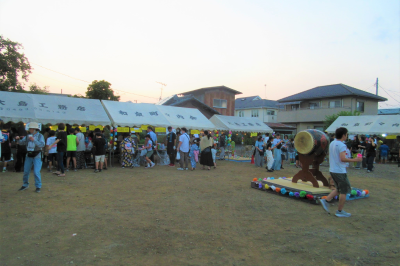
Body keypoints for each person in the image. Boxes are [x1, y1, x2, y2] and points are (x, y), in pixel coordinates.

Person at [320, 127, 362, 218]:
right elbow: (342, 158)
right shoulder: (342, 145)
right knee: (344, 191)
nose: (346, 136)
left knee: (338, 189)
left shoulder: (332, 143)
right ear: (344, 135)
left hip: (333, 170)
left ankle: (326, 200)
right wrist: (355, 159)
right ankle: (339, 211)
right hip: (339, 171)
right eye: (346, 134)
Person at [15, 122, 45, 193]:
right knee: (26, 171)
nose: (29, 130)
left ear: (35, 129)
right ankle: (25, 184)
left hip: (37, 155)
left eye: (31, 129)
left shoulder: (40, 136)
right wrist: (18, 139)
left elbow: (42, 145)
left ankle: (38, 186)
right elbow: (22, 142)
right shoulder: (27, 136)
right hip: (29, 155)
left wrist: (33, 140)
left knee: (36, 172)